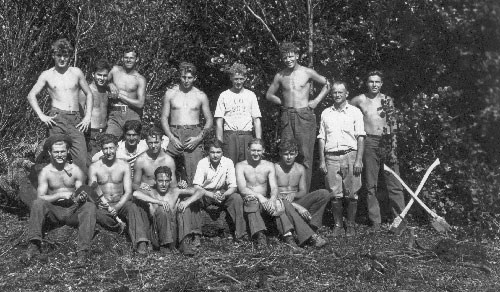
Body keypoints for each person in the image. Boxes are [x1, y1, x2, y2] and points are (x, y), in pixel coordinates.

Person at [236, 139, 325, 249]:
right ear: (248, 149)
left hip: (267, 201)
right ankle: (261, 238)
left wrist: (273, 199)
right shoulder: (240, 166)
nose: (256, 153)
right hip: (253, 200)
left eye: (258, 150)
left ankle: (296, 237)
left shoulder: (269, 165)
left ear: (263, 150)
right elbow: (242, 188)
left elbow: (274, 187)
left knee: (281, 204)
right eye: (253, 150)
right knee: (252, 200)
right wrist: (260, 197)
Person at [266, 42, 330, 192]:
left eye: (290, 56)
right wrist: (283, 103)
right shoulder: (280, 75)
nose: (288, 60)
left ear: (297, 56)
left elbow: (327, 83)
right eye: (285, 57)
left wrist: (316, 101)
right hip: (287, 115)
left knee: (305, 155)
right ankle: (287, 192)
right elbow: (269, 95)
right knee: (286, 152)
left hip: (304, 115)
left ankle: (304, 194)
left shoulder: (307, 72)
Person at [25, 134, 96, 263]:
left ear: (68, 151)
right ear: (50, 152)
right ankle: (34, 244)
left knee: (89, 206)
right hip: (54, 211)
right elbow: (41, 196)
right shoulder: (46, 172)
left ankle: (83, 251)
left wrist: (81, 197)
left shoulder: (76, 170)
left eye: (62, 151)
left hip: (72, 209)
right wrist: (58, 195)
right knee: (37, 203)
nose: (59, 155)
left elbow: (80, 192)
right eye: (56, 152)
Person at [27, 38, 93, 175]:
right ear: (53, 56)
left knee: (81, 159)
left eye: (66, 56)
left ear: (69, 56)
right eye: (59, 55)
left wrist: (87, 117)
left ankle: (79, 192)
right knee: (57, 157)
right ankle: (59, 192)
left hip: (76, 120)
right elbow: (31, 95)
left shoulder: (76, 72)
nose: (62, 59)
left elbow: (89, 94)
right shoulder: (47, 75)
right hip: (57, 120)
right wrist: (41, 115)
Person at [350, 71, 405, 232]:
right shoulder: (360, 99)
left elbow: (393, 126)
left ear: (381, 84)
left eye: (377, 82)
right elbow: (345, 109)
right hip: (369, 142)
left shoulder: (387, 100)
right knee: (370, 184)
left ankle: (399, 221)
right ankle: (376, 222)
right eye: (371, 81)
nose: (374, 85)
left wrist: (394, 149)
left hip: (386, 141)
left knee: (394, 183)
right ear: (366, 83)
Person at [88, 134, 149, 254]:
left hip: (120, 203)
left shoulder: (124, 165)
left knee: (132, 207)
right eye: (105, 148)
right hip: (103, 206)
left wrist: (117, 207)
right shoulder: (94, 167)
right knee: (95, 213)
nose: (108, 151)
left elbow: (128, 192)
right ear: (101, 150)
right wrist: (99, 204)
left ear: (116, 147)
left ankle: (141, 243)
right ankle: (119, 227)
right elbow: (92, 191)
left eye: (111, 148)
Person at [318, 81, 365, 237]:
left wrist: (359, 160)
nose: (337, 95)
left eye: (340, 92)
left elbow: (360, 137)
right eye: (334, 92)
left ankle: (350, 225)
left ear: (346, 93)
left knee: (352, 193)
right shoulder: (326, 113)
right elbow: (322, 138)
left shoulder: (355, 112)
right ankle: (338, 225)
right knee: (335, 194)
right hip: (331, 157)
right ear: (331, 94)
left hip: (350, 155)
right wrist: (322, 160)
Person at [181, 140, 246, 242]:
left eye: (218, 152)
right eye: (212, 152)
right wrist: (211, 195)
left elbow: (233, 187)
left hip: (221, 192)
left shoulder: (228, 162)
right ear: (208, 152)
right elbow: (197, 186)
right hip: (205, 192)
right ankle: (196, 234)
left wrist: (224, 195)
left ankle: (240, 234)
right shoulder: (203, 163)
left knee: (237, 198)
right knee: (193, 200)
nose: (215, 155)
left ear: (222, 153)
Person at [161, 62, 213, 186]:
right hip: (174, 132)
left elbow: (209, 120)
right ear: (180, 76)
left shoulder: (200, 96)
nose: (186, 80)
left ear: (194, 78)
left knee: (194, 175)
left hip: (193, 134)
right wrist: (171, 137)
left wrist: (198, 138)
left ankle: (193, 204)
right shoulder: (170, 93)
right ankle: (167, 201)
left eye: (189, 78)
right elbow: (163, 117)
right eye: (184, 77)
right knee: (163, 167)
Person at [133, 166, 199, 256]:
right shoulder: (151, 191)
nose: (163, 184)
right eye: (160, 181)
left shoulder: (175, 191)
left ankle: (184, 244)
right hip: (157, 236)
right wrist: (159, 202)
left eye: (166, 181)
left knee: (183, 206)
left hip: (174, 234)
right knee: (162, 209)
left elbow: (200, 191)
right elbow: (136, 194)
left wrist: (186, 202)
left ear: (170, 181)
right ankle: (165, 246)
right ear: (155, 181)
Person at [275, 139, 332, 235]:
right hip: (281, 204)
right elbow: (272, 193)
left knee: (324, 193)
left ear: (296, 154)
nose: (289, 157)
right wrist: (290, 203)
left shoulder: (300, 169)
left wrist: (293, 194)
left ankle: (313, 225)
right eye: (286, 154)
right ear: (280, 153)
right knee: (281, 203)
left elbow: (303, 191)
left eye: (292, 154)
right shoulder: (274, 168)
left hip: (296, 201)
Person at [214, 63, 262, 164]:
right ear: (231, 78)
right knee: (230, 166)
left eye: (241, 78)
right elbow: (219, 121)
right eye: (236, 79)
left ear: (245, 78)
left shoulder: (251, 95)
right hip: (230, 136)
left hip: (247, 135)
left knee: (247, 166)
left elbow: (256, 120)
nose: (238, 82)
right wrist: (219, 143)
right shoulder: (224, 95)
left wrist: (258, 141)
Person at [92, 120, 169, 178]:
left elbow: (165, 138)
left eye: (134, 135)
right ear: (124, 135)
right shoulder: (118, 148)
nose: (131, 138)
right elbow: (94, 158)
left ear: (139, 135)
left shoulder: (144, 145)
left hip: (139, 178)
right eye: (129, 135)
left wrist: (161, 150)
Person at [106, 47, 146, 139]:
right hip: (115, 114)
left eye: (131, 58)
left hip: (132, 114)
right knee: (109, 141)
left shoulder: (140, 79)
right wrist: (110, 84)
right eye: (126, 57)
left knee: (133, 146)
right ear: (122, 58)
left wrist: (119, 96)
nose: (128, 60)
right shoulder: (115, 70)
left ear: (137, 59)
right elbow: (101, 82)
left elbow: (140, 103)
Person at [79, 58, 112, 158]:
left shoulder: (107, 92)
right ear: (93, 74)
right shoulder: (85, 92)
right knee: (91, 164)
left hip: (104, 133)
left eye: (105, 75)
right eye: (99, 75)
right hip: (90, 134)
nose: (102, 78)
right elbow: (78, 115)